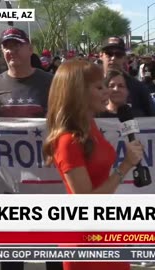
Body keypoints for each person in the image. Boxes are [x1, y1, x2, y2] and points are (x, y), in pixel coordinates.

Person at [43, 60, 143, 270]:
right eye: (99, 87)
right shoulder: (67, 141)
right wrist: (124, 167)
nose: (106, 91)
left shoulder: (90, 125)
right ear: (78, 93)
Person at [0, 27, 61, 270]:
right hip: (10, 184)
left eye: (16, 45)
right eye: (6, 46)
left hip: (47, 179)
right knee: (12, 253)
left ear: (30, 48)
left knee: (53, 251)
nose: (10, 50)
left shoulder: (50, 81)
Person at [100, 36, 155, 117]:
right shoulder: (90, 86)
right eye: (109, 54)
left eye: (118, 54)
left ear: (124, 58)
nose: (113, 58)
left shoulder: (138, 87)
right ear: (101, 55)